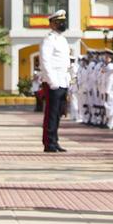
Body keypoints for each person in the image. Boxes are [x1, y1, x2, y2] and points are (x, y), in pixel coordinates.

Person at [39, 10, 74, 154]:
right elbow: (45, 61)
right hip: (54, 81)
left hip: (63, 81)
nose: (62, 24)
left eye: (63, 21)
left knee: (59, 113)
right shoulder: (49, 39)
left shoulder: (63, 40)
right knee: (51, 113)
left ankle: (55, 140)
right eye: (59, 22)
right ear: (52, 24)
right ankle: (49, 142)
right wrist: (51, 81)